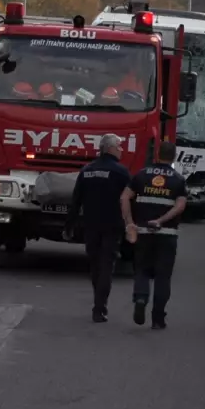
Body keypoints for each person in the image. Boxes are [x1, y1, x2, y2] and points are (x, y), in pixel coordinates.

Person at [120, 140, 187, 330]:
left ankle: (140, 298)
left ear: (157, 154)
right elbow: (180, 206)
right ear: (173, 157)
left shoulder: (141, 175)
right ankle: (158, 318)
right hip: (167, 234)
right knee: (162, 276)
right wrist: (162, 220)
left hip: (142, 233)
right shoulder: (178, 179)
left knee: (141, 269)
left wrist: (129, 223)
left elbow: (124, 197)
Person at [66, 133, 131, 323]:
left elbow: (76, 200)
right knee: (106, 266)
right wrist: (132, 224)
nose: (121, 150)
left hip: (91, 225)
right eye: (119, 146)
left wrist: (69, 225)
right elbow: (129, 200)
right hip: (112, 226)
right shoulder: (121, 172)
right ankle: (100, 307)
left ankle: (98, 301)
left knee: (95, 266)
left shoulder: (87, 171)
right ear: (110, 148)